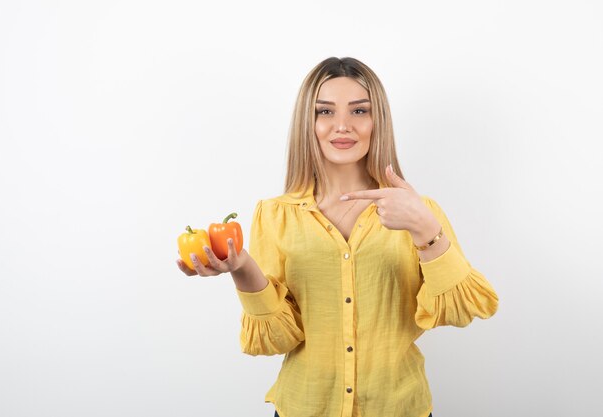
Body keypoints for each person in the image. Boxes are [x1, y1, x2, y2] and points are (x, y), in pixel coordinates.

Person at [176, 57, 499, 417]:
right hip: (304, 406)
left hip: (398, 407)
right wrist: (242, 268)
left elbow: (464, 309)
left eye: (359, 111)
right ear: (307, 123)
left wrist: (425, 230)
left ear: (378, 122)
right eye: (325, 112)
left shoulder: (419, 211)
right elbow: (280, 337)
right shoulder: (274, 214)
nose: (342, 126)